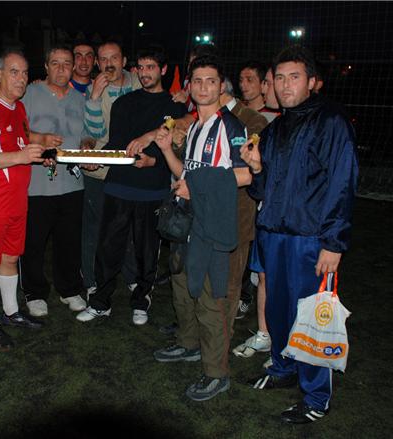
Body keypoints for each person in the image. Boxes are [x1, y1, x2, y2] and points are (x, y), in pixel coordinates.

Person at [242, 45, 358, 424]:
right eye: (279, 77)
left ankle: (316, 397)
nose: (285, 84)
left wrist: (333, 242)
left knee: (313, 318)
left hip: (311, 240)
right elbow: (261, 192)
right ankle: (283, 367)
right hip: (273, 235)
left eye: (294, 77)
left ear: (312, 81)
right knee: (277, 311)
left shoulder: (331, 121)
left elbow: (343, 183)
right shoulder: (275, 128)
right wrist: (256, 168)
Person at [153, 55, 251, 402]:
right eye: (197, 81)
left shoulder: (231, 127)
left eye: (211, 81)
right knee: (184, 288)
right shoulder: (195, 127)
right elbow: (186, 174)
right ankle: (189, 344)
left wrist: (196, 186)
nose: (204, 87)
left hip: (212, 226)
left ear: (221, 86)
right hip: (187, 223)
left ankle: (216, 373)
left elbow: (245, 174)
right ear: (190, 86)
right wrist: (167, 151)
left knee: (211, 300)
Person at [76, 45, 187, 325]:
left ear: (163, 70)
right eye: (141, 67)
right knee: (108, 248)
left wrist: (154, 161)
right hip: (118, 187)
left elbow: (177, 151)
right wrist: (96, 161)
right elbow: (116, 144)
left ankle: (141, 301)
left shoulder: (175, 107)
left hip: (152, 191)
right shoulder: (123, 104)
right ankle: (100, 302)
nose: (145, 72)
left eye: (151, 67)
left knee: (146, 251)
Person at [0, 48, 47, 350]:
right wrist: (21, 156)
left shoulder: (19, 107)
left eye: (25, 73)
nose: (21, 78)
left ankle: (12, 312)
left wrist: (38, 154)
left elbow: (19, 145)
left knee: (11, 257)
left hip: (17, 200)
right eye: (14, 72)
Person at [19, 45, 87, 317]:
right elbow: (16, 130)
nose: (61, 68)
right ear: (46, 66)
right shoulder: (29, 93)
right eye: (55, 63)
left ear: (73, 67)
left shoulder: (80, 98)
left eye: (66, 63)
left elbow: (86, 134)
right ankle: (35, 293)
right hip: (37, 183)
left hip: (71, 182)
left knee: (69, 241)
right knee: (33, 242)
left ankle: (69, 288)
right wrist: (40, 139)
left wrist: (88, 147)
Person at [81, 39, 141, 298]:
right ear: (97, 63)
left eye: (114, 58)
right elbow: (94, 133)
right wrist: (95, 97)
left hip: (132, 169)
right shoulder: (93, 89)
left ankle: (132, 277)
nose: (109, 64)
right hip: (100, 169)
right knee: (95, 229)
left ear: (124, 61)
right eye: (103, 59)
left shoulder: (139, 83)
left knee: (129, 227)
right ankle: (92, 279)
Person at [217, 79, 269, 348]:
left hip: (238, 212)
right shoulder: (204, 118)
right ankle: (203, 328)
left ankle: (221, 336)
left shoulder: (252, 120)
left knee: (230, 278)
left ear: (220, 89)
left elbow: (251, 170)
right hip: (207, 211)